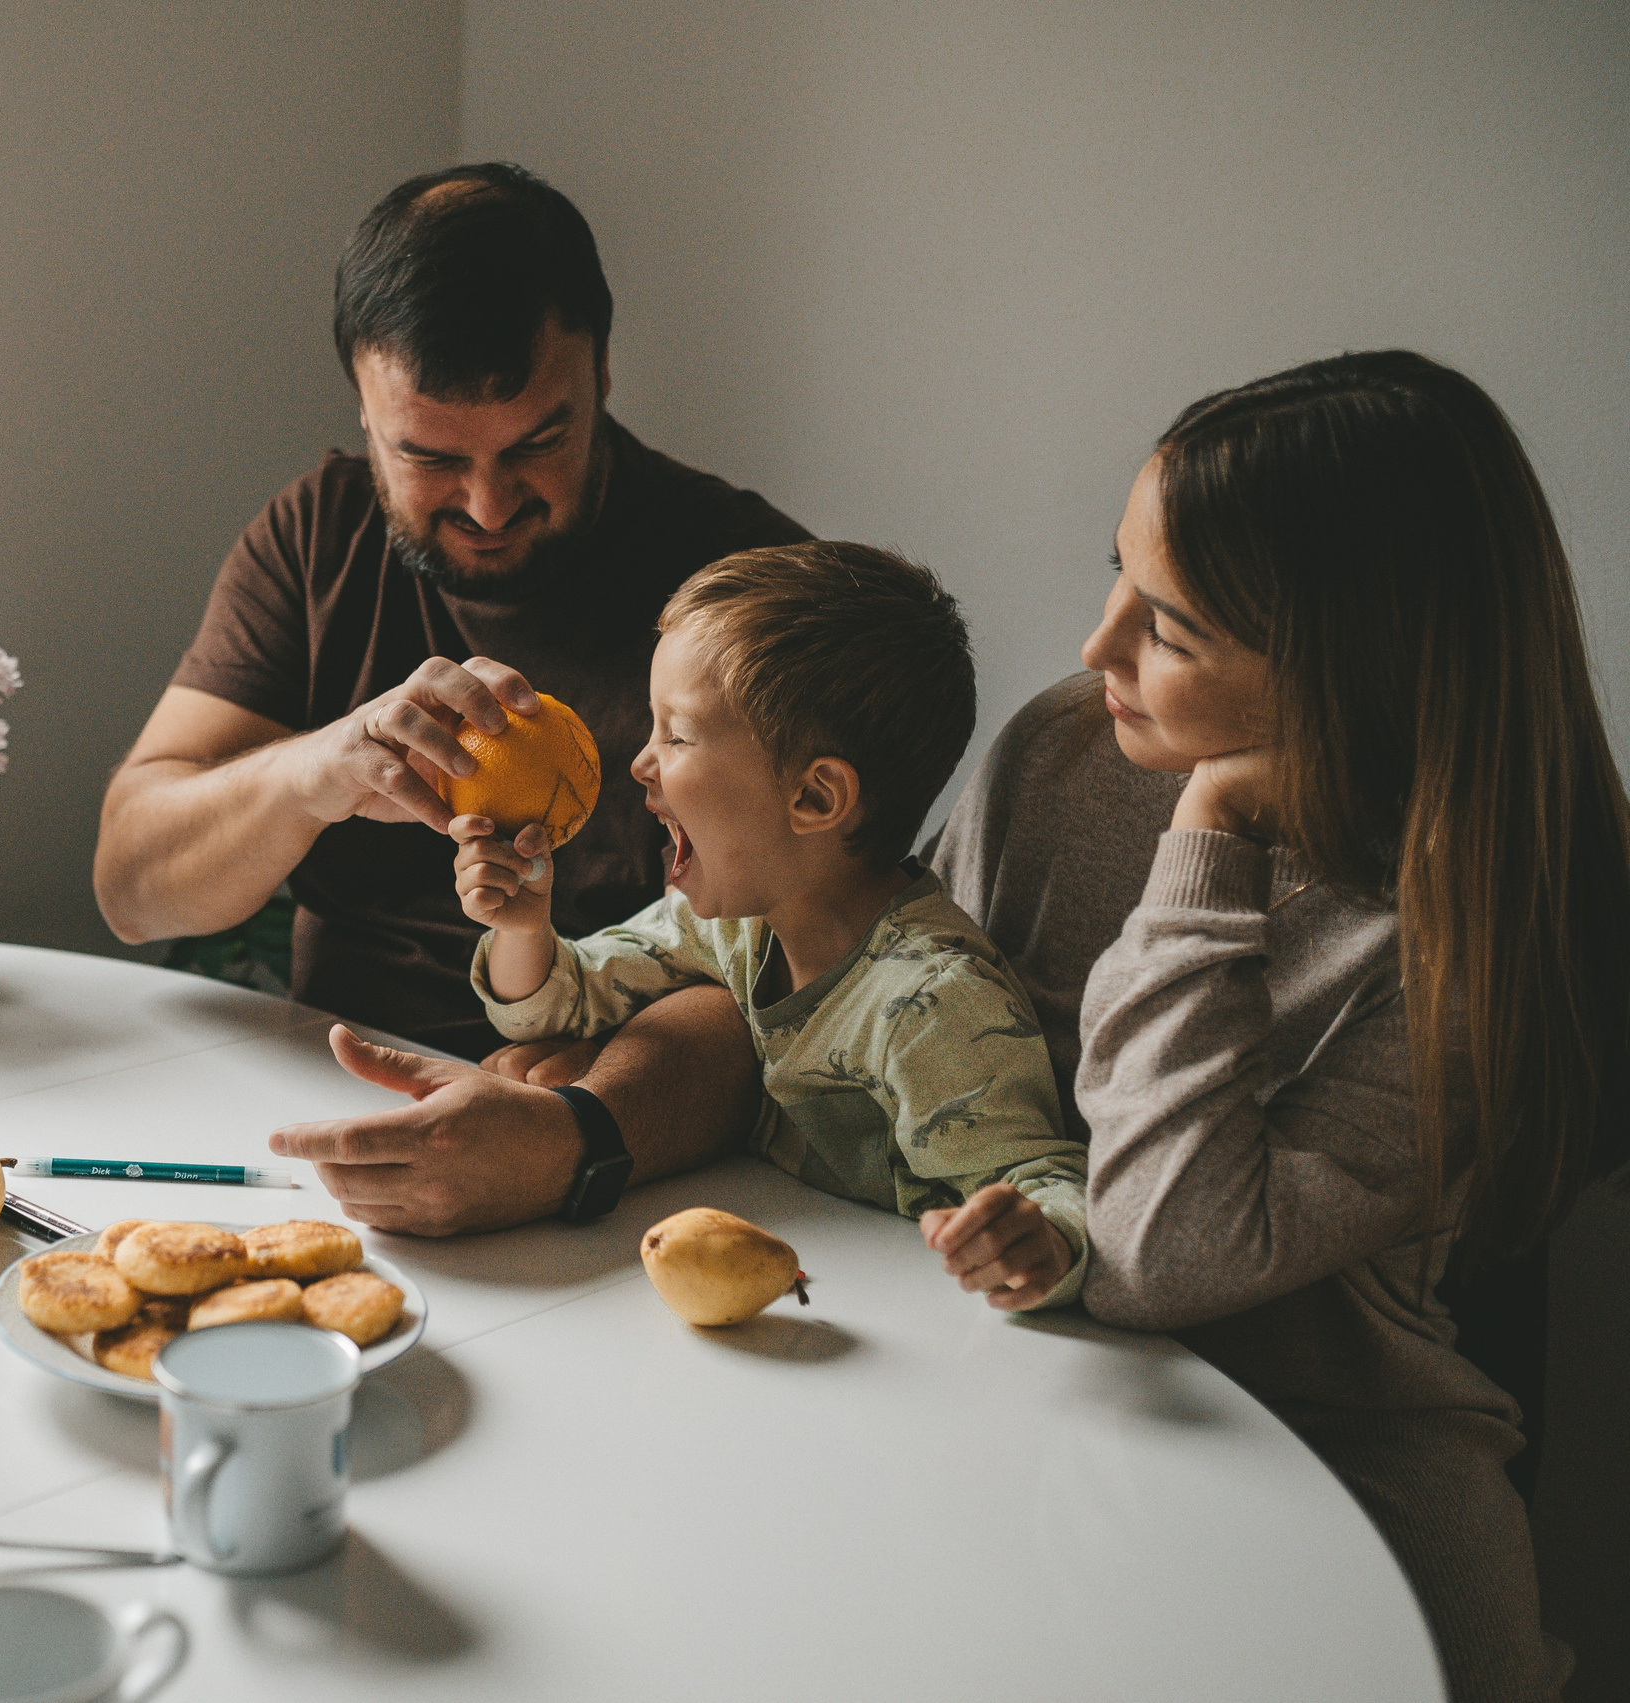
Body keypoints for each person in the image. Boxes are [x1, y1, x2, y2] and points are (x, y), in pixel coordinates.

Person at [932, 350, 1627, 1701]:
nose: (1098, 647)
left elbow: (1164, 1251)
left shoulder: (1467, 942)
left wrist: (1208, 839)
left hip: (1344, 1498)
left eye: (1173, 628)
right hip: (1033, 1411)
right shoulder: (1060, 754)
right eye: (1117, 573)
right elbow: (918, 1027)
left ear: (1348, 672)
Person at [93, 162, 810, 1069]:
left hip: (621, 1113)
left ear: (604, 372)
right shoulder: (321, 534)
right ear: (364, 409)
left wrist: (581, 1117)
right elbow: (131, 887)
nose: (487, 503)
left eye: (537, 443)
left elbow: (811, 961)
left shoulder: (752, 584)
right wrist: (317, 770)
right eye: (429, 456)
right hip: (330, 1076)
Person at [457, 542, 1088, 1308]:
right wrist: (526, 926)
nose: (639, 763)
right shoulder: (735, 926)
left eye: (677, 735)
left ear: (816, 799)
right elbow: (562, 1001)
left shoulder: (932, 1003)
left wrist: (1037, 1240)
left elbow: (1046, 1182)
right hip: (787, 1290)